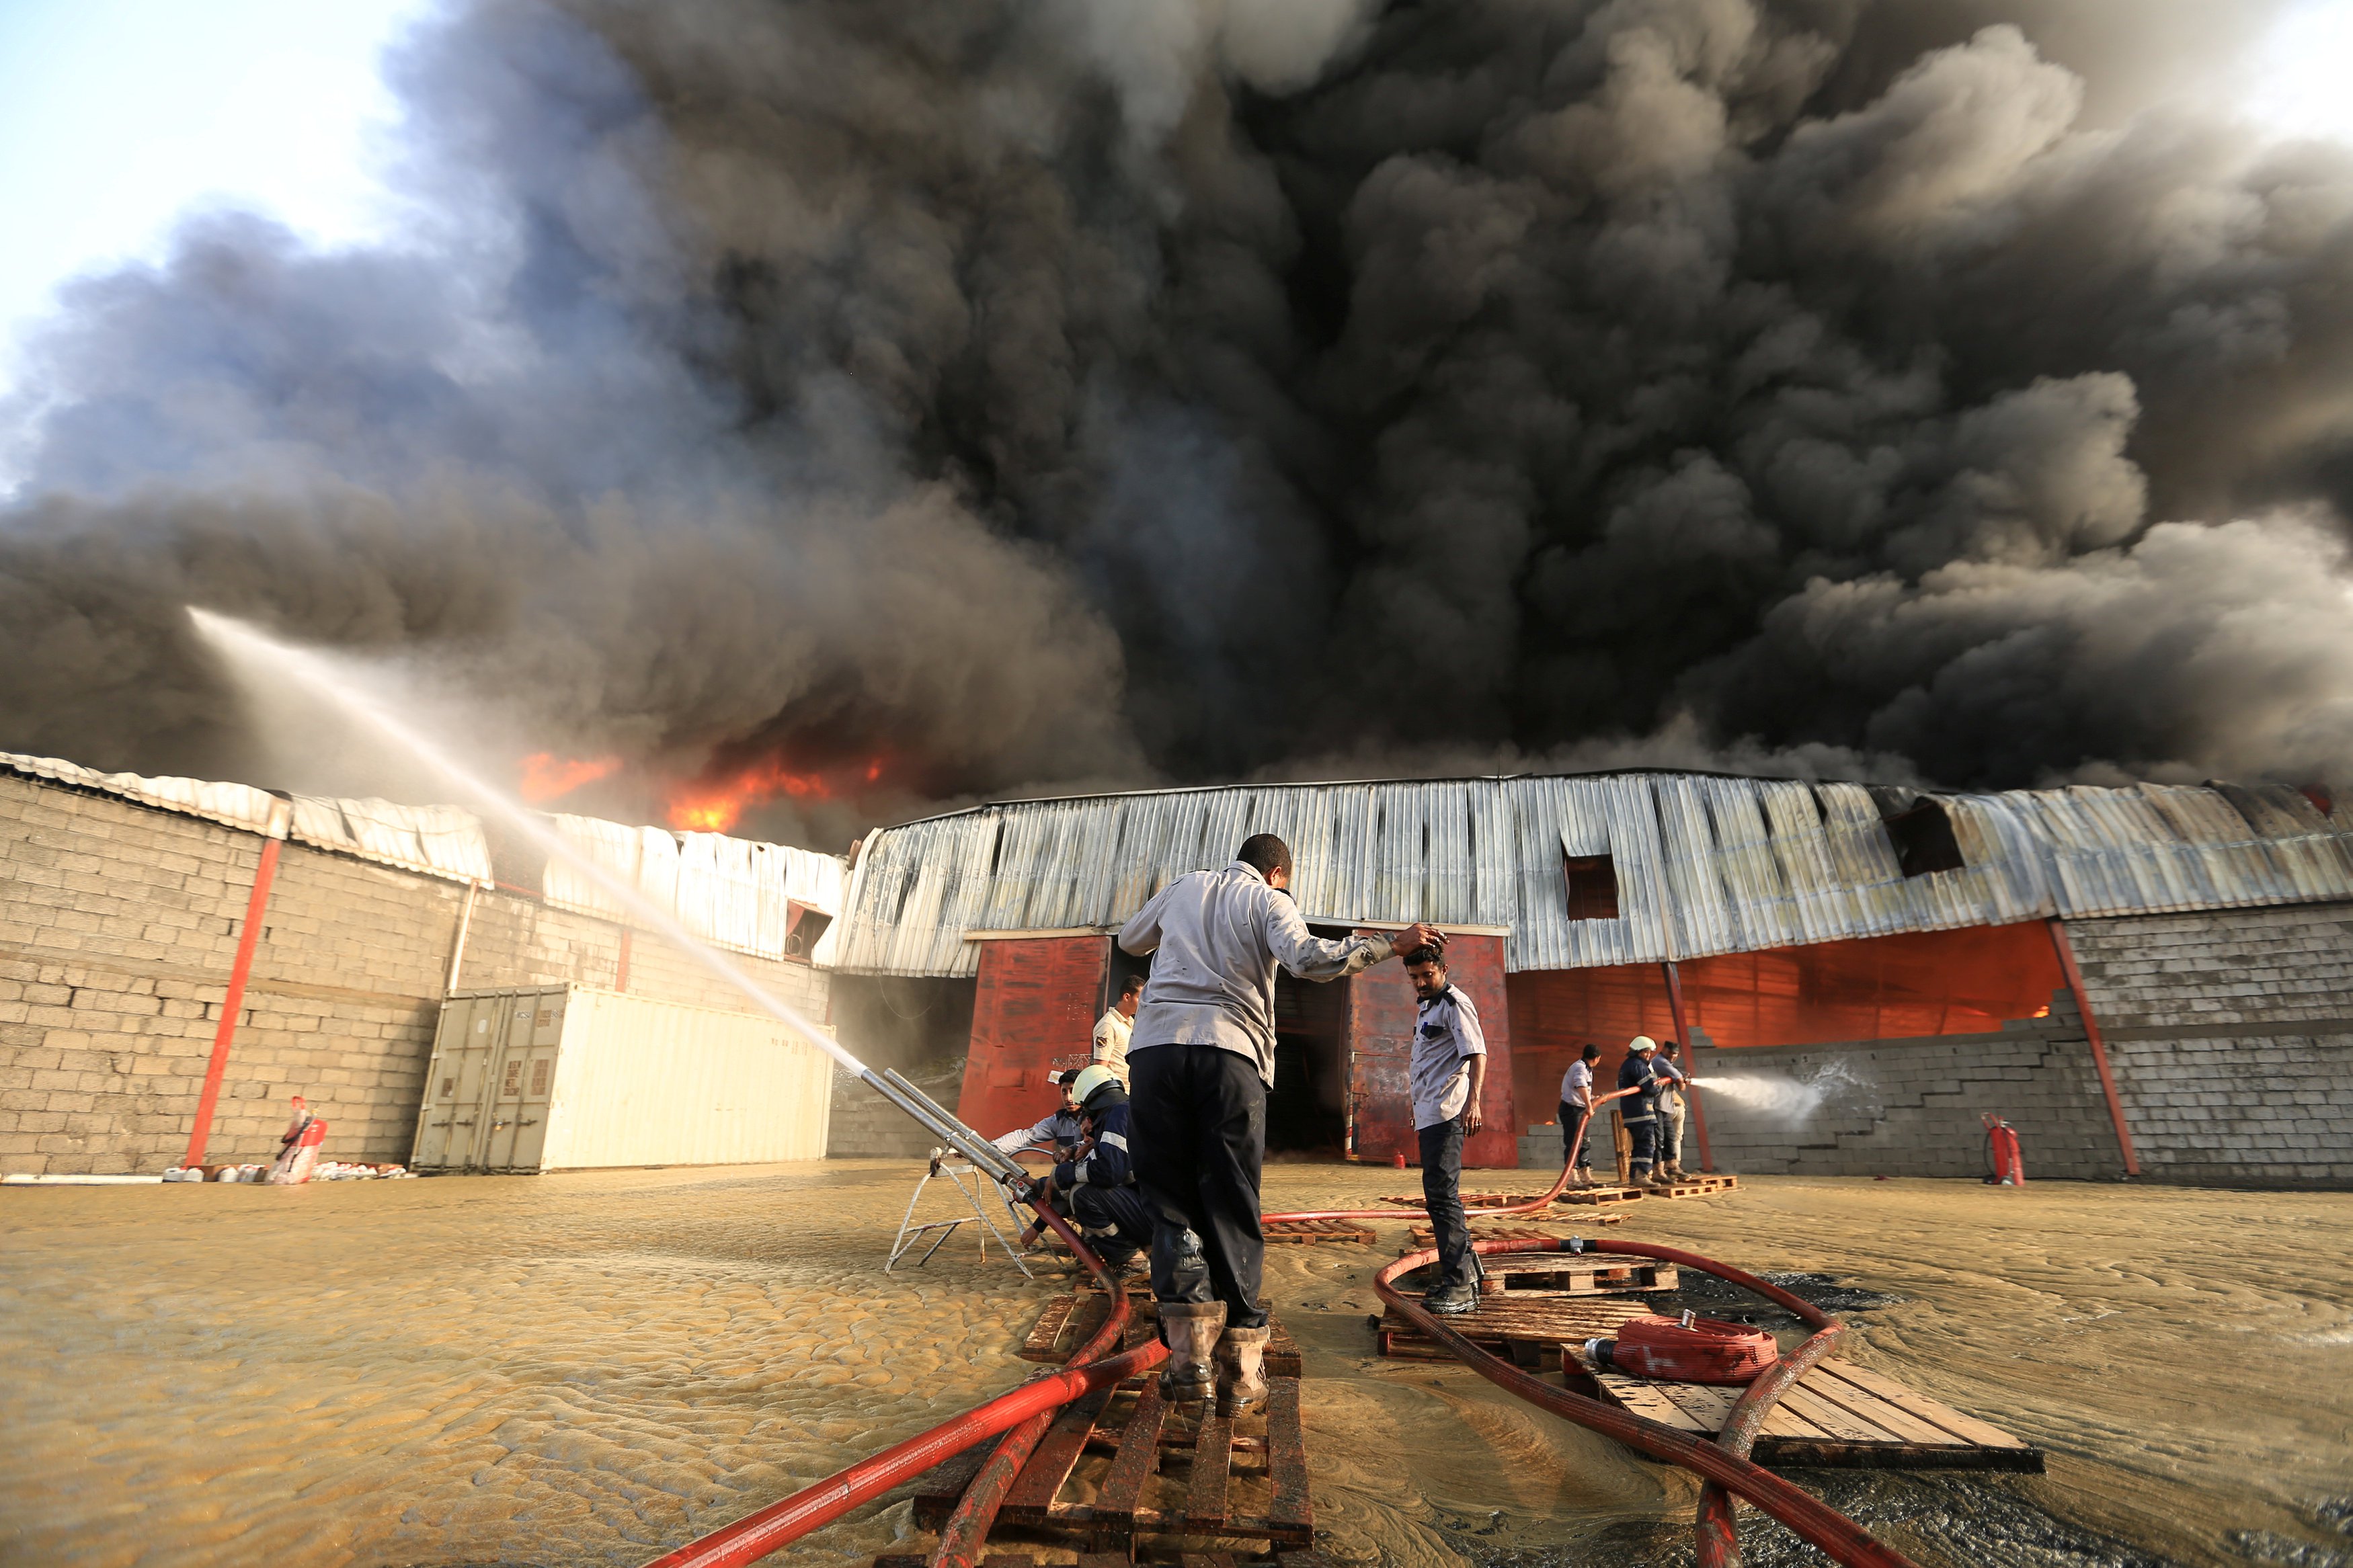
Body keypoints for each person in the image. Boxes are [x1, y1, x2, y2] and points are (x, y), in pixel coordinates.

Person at [1118, 832, 1445, 1415]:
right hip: (1230, 1054)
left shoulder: (1183, 886)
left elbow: (1129, 938)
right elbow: (1308, 959)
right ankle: (1241, 1372)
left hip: (1156, 1051)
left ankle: (1188, 1359)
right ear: (1277, 874)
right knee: (1231, 1200)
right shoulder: (1270, 902)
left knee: (1169, 1200)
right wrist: (1390, 946)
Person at [1404, 944, 1487, 1314]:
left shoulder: (1455, 1004)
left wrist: (1475, 1102)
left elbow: (1477, 1053)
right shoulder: (1427, 1007)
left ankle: (1459, 1284)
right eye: (1415, 978)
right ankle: (1467, 1274)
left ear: (1443, 969)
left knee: (1442, 1197)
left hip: (1447, 1113)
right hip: (1430, 1113)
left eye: (1427, 975)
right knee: (1440, 1197)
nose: (1421, 983)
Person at [1029, 1065, 1152, 1275]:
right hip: (1161, 1211)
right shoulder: (1129, 1109)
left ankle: (1133, 1262)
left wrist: (1060, 1175)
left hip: (1155, 1216)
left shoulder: (1118, 1114)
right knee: (1077, 1189)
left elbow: (1109, 1171)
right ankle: (1133, 1250)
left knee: (1083, 1195)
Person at [994, 1069, 1086, 1250]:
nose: (1068, 1097)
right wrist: (991, 1148)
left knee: (1058, 1190)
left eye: (1073, 1091)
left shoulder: (1096, 1118)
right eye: (1064, 1091)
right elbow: (1026, 1136)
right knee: (1049, 1190)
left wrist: (1036, 1228)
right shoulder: (1058, 1121)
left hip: (1089, 1182)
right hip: (1069, 1182)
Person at [1616, 1036, 1665, 1186]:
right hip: (1642, 1112)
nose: (1648, 1055)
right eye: (1647, 1052)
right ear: (1639, 1051)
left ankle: (1635, 1176)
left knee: (1639, 1146)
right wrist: (1659, 1085)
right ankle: (1642, 1175)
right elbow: (1651, 1088)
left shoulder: (1628, 1065)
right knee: (1647, 1144)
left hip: (1632, 1112)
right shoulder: (1638, 1065)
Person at [1560, 1043, 1601, 1188]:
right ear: (1597, 1058)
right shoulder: (1580, 1068)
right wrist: (1590, 1107)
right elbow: (1581, 1086)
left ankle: (1586, 1176)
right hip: (1572, 1110)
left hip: (1579, 1109)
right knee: (1573, 1144)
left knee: (1585, 1142)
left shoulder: (1587, 1069)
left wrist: (1594, 1099)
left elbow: (1584, 1091)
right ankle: (1572, 1178)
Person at [1094, 972, 1144, 1086]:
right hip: (1118, 1094)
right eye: (1139, 998)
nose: (1142, 1003)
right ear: (1127, 997)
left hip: (1132, 1091)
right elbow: (1100, 1068)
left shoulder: (1132, 1022)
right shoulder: (1108, 1025)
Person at [1654, 1040, 1691, 1180]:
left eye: (1675, 1054)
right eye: (1671, 1053)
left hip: (1665, 1107)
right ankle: (1659, 1171)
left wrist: (1679, 1077)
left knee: (1670, 1138)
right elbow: (1681, 1085)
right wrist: (1680, 1080)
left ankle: (1672, 1166)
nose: (1673, 1056)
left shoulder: (1666, 1063)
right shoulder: (1660, 1062)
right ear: (1664, 1050)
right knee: (1660, 1139)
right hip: (1657, 1106)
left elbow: (1678, 1077)